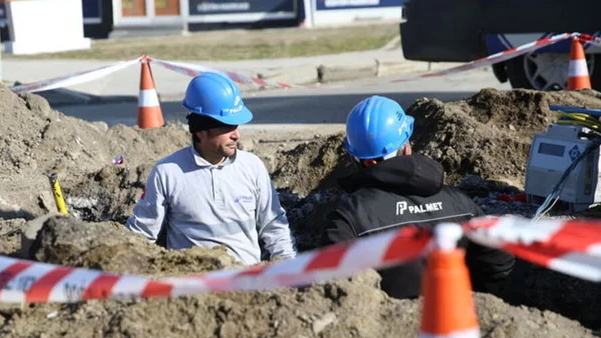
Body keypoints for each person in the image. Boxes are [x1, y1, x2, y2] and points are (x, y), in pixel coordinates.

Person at [322, 95, 515, 298]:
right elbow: (499, 263)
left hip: (388, 318)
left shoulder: (348, 219)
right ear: (406, 148)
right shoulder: (461, 203)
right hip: (456, 313)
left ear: (355, 158)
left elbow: (335, 285)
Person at [125, 72, 297, 265]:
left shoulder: (252, 166)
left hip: (246, 278)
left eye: (236, 126)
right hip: (194, 280)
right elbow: (141, 236)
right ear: (201, 131)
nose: (236, 135)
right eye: (227, 127)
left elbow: (274, 225)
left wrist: (289, 266)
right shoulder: (167, 173)